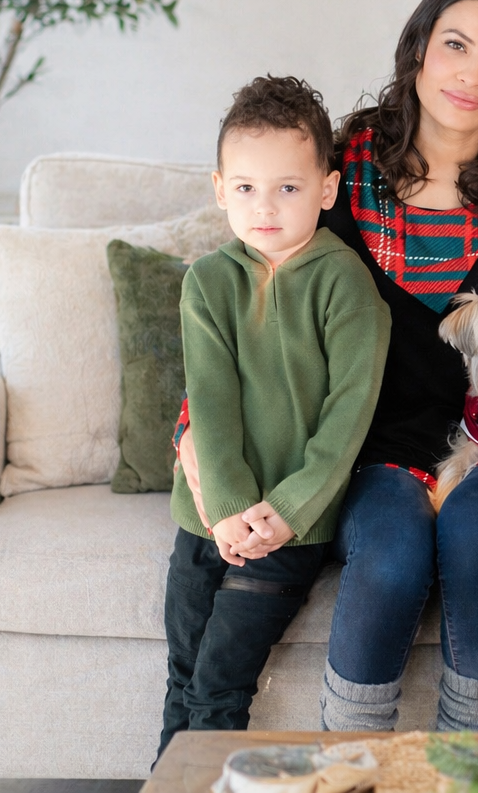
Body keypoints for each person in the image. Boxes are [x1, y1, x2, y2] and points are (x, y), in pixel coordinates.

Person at [176, 0, 478, 732]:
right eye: (455, 44)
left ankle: (470, 762)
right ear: (418, 47)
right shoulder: (338, 167)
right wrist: (194, 428)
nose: (471, 74)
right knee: (392, 558)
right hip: (356, 447)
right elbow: (255, 293)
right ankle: (350, 761)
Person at [158, 76, 391, 759]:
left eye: (288, 187)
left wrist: (285, 511)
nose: (265, 207)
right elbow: (211, 398)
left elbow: (348, 416)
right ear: (219, 189)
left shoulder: (346, 283)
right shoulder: (208, 282)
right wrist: (225, 509)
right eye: (246, 187)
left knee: (218, 687)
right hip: (204, 520)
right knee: (182, 677)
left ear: (327, 188)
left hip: (288, 527)